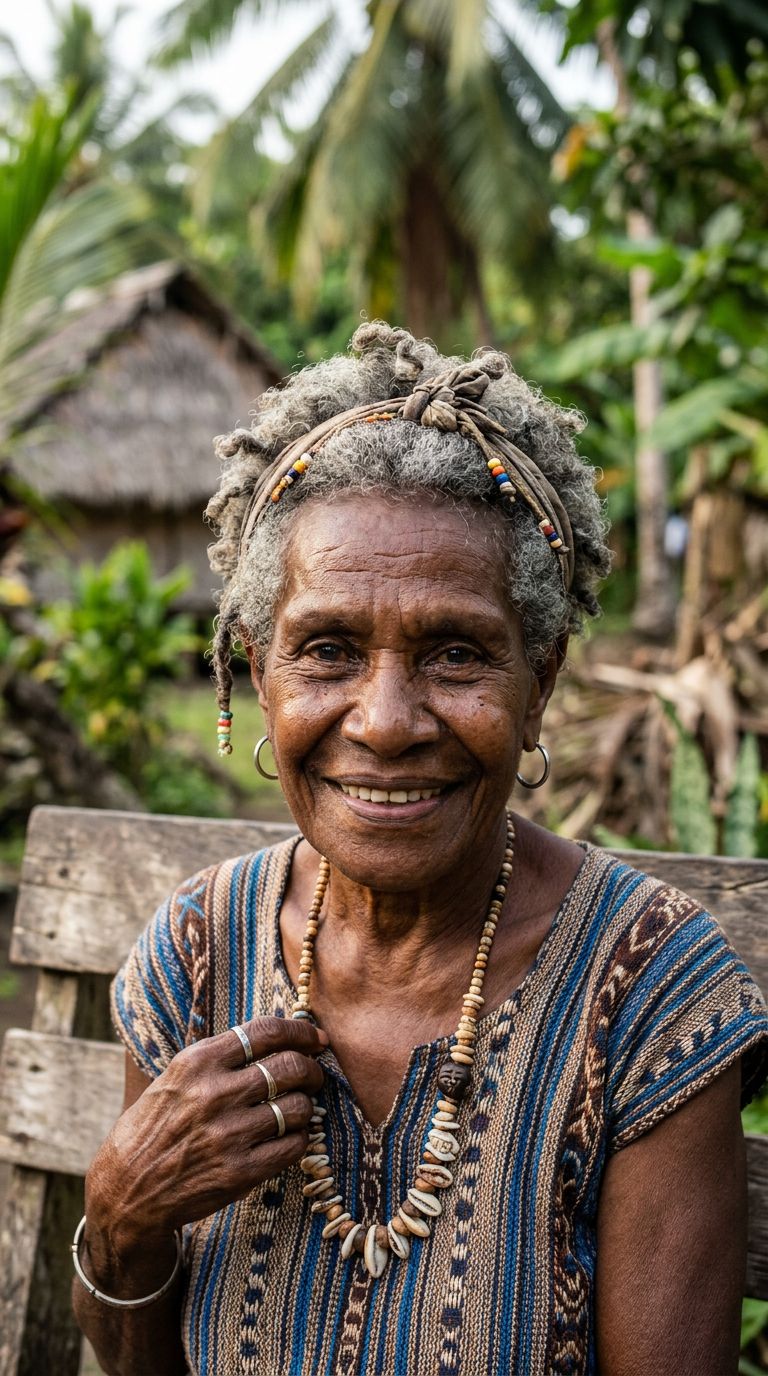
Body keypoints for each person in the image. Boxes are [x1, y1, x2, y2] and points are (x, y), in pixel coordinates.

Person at [73, 323, 768, 1376]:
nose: (387, 721)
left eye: (455, 653)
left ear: (539, 682)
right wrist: (123, 1214)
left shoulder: (648, 994)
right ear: (258, 675)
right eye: (328, 650)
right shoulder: (197, 955)